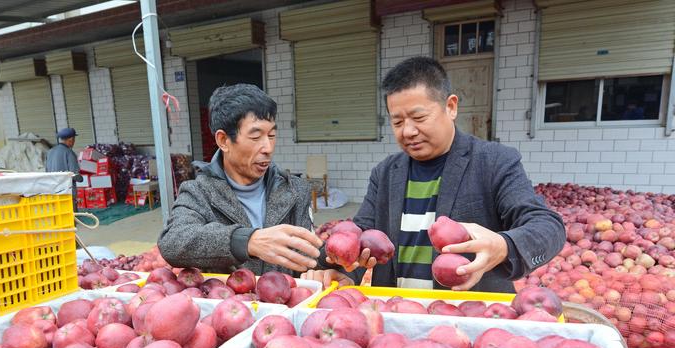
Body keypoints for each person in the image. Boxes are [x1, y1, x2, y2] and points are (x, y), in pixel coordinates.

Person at [305, 57, 565, 293]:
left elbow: (547, 225)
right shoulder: (385, 173)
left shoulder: (494, 161)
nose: (408, 131)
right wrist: (344, 269)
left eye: (419, 117)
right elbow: (362, 233)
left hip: (469, 314)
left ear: (450, 107)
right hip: (398, 314)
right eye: (397, 122)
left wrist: (504, 246)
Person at [158, 84, 322, 275]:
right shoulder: (199, 192)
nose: (268, 148)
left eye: (271, 135)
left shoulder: (295, 190)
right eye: (256, 137)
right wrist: (247, 241)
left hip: (286, 295)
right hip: (226, 295)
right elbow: (173, 242)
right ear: (223, 140)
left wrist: (329, 263)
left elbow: (307, 258)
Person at [45, 127, 84, 211]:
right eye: (74, 139)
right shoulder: (69, 153)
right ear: (71, 140)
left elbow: (47, 171)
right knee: (71, 216)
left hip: (53, 192)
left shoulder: (50, 152)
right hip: (67, 193)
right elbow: (74, 175)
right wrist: (81, 178)